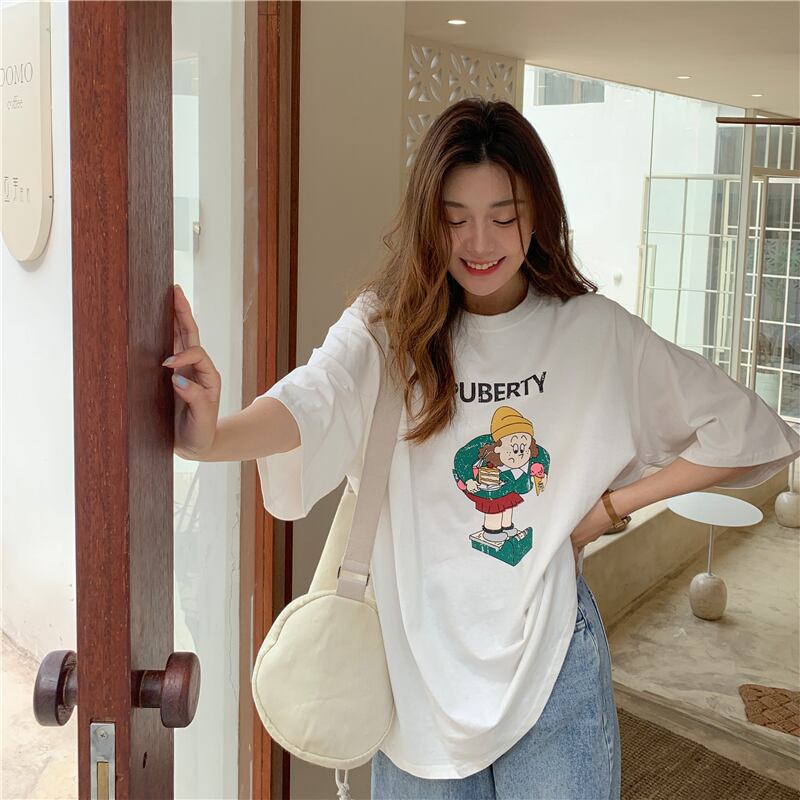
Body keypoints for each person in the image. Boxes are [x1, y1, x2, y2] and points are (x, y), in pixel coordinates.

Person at [162, 98, 800, 800]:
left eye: (503, 215)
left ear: (539, 213)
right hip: (416, 678)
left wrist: (609, 507)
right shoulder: (386, 329)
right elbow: (311, 400)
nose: (479, 241)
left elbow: (748, 432)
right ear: (427, 219)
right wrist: (210, 437)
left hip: (552, 663)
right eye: (455, 217)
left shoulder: (592, 333)